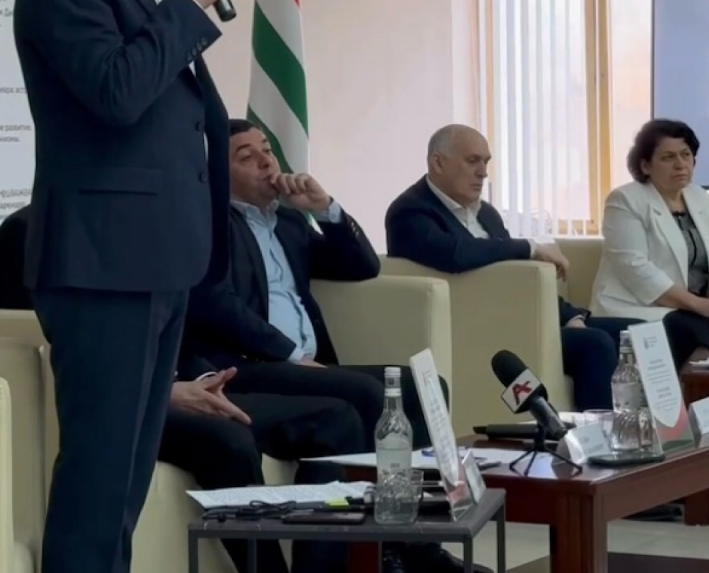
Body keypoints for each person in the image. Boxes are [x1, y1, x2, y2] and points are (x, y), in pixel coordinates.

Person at [12, 0, 233, 573]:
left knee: (127, 486)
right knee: (99, 484)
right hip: (102, 263)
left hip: (157, 258)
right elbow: (115, 92)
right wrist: (186, 4)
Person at [0, 205, 369, 573]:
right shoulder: (31, 232)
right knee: (229, 440)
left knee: (337, 420)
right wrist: (165, 392)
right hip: (118, 401)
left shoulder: (147, 226)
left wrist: (200, 381)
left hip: (184, 382)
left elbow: (177, 330)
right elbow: (46, 343)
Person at [186, 120, 486, 573]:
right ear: (217, 173)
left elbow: (361, 266)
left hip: (306, 363)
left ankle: (418, 543)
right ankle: (392, 549)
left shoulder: (288, 222)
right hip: (250, 365)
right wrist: (290, 354)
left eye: (267, 150)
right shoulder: (210, 225)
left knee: (426, 387)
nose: (266, 162)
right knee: (370, 395)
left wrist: (325, 209)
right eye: (247, 157)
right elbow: (217, 305)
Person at [384, 124, 639, 412]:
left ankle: (649, 429)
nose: (483, 172)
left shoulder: (486, 214)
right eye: (472, 161)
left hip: (518, 319)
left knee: (637, 333)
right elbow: (456, 254)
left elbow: (515, 279)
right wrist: (530, 247)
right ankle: (599, 434)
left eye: (486, 162)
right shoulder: (410, 212)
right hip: (478, 331)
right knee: (595, 344)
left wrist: (570, 316)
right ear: (438, 163)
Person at [589, 118, 709, 370]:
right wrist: (699, 305)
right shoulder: (625, 200)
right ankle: (692, 398)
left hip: (691, 310)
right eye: (668, 157)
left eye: (685, 155)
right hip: (636, 308)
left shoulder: (700, 197)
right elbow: (634, 267)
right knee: (696, 341)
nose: (680, 164)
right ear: (645, 165)